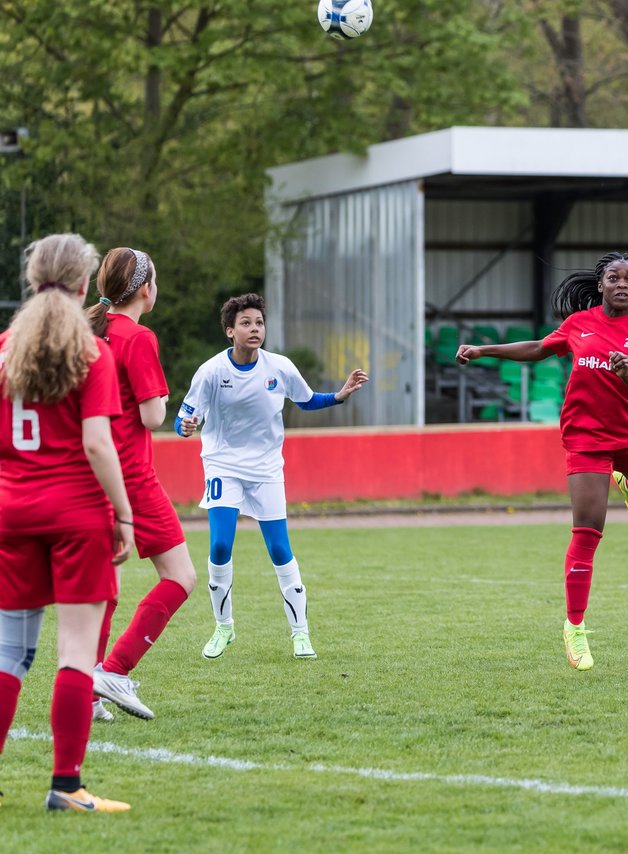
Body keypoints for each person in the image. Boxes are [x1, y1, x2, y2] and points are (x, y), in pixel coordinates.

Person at [456, 251, 628, 672]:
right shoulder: (579, 324)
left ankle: (627, 482)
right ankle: (575, 627)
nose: (622, 284)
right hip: (586, 435)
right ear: (601, 284)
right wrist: (484, 350)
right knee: (588, 531)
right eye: (614, 277)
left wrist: (626, 373)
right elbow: (537, 348)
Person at [0, 234, 133, 812]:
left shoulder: (4, 347)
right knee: (76, 652)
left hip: (10, 512)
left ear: (33, 282)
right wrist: (124, 516)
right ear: (85, 287)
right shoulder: (90, 350)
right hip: (76, 515)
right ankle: (66, 786)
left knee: (7, 655)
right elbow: (98, 443)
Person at [176, 294, 368, 661]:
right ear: (230, 331)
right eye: (245, 323)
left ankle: (301, 635)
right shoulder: (212, 371)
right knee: (219, 547)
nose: (254, 329)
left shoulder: (279, 367)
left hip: (266, 470)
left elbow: (307, 399)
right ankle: (224, 627)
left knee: (280, 550)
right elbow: (185, 418)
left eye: (259, 323)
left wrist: (339, 396)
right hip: (222, 465)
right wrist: (185, 426)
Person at [81, 248, 196, 723]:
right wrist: (166, 397)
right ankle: (113, 671)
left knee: (102, 585)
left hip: (86, 472)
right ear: (145, 289)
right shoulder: (138, 336)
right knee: (181, 577)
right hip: (130, 474)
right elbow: (152, 416)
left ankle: (85, 687)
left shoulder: (87, 330)